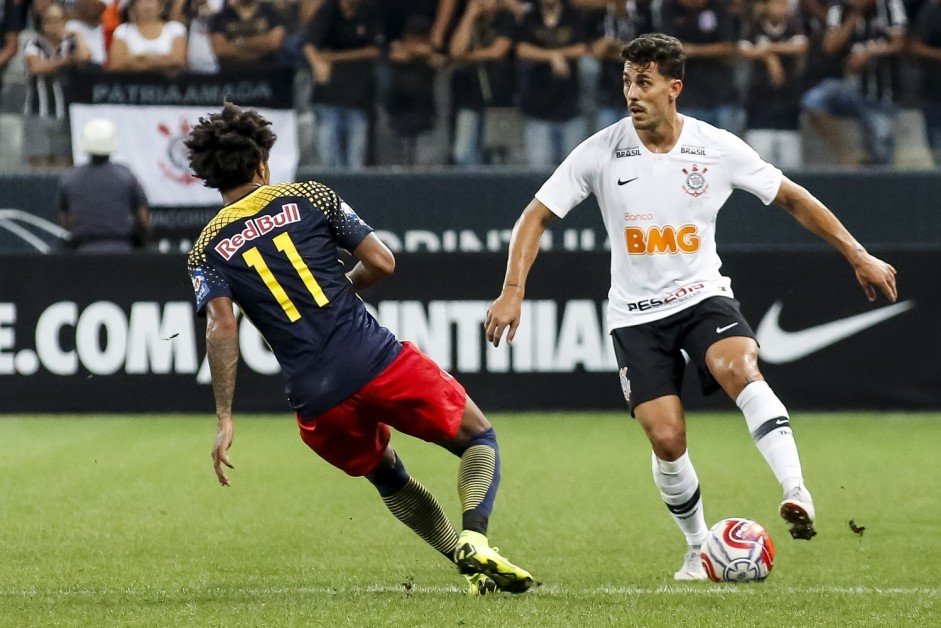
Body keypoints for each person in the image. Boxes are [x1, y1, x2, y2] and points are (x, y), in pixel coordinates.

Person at [485, 33, 898, 580]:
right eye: (627, 81)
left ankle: (796, 489)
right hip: (635, 316)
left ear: (673, 88)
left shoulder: (716, 148)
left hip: (703, 296)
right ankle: (699, 547)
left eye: (644, 82)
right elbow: (534, 216)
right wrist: (513, 290)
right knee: (666, 437)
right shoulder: (600, 150)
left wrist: (858, 253)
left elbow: (793, 197)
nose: (632, 93)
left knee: (738, 365)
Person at [183, 102, 534, 596]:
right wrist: (343, 286)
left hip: (314, 398)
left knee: (389, 476)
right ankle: (475, 538)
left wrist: (224, 416)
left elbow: (222, 329)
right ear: (262, 163)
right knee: (479, 438)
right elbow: (382, 262)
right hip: (374, 360)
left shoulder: (206, 247)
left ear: (210, 177)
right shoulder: (309, 197)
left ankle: (464, 561)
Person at [57, 118, 151, 252]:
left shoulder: (71, 177)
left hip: (84, 252)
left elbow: (65, 219)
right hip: (122, 251)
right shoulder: (125, 175)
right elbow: (143, 219)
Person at [24, 3, 91, 169]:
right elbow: (37, 67)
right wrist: (65, 61)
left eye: (58, 20)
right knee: (40, 166)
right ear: (42, 23)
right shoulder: (34, 44)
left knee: (64, 166)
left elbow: (85, 58)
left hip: (66, 113)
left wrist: (77, 35)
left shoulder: (70, 44)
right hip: (38, 112)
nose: (54, 25)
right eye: (49, 20)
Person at [107, 0, 188, 74]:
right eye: (142, 1)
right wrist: (161, 62)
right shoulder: (123, 30)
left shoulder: (175, 28)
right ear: (133, 6)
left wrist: (138, 58)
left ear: (161, 6)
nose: (147, 6)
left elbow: (178, 61)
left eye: (151, 1)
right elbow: (116, 64)